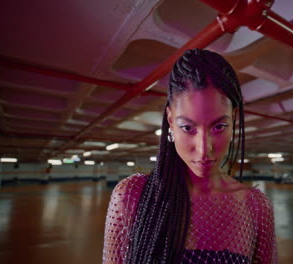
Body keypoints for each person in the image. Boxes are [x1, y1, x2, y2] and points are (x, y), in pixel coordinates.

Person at [102, 48, 277, 263]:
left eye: (219, 126)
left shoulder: (256, 207)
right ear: (170, 120)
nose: (204, 149)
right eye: (187, 127)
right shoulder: (131, 196)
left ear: (233, 120)